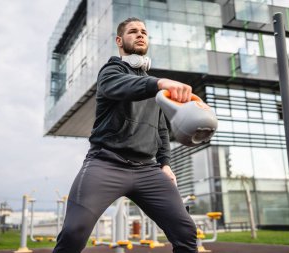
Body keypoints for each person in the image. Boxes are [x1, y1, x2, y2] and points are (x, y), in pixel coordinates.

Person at [53, 17, 197, 253]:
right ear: (120, 41)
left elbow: (161, 129)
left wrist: (166, 164)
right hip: (105, 163)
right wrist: (160, 83)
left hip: (147, 170)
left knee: (186, 232)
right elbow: (121, 85)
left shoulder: (154, 87)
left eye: (143, 32)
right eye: (133, 32)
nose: (140, 35)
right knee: (73, 231)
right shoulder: (112, 71)